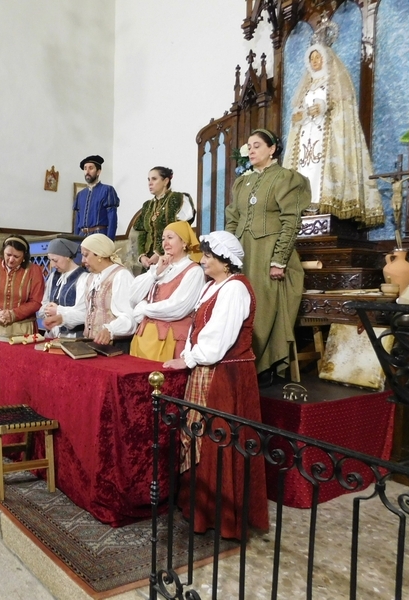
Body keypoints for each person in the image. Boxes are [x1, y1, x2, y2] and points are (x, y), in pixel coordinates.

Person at [163, 231, 269, 539]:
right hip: (206, 370)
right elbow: (197, 328)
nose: (203, 260)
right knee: (197, 436)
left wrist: (192, 358)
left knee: (217, 440)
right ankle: (198, 509)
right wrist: (189, 355)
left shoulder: (235, 289)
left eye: (208, 255)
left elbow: (218, 338)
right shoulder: (213, 286)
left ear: (225, 260)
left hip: (226, 374)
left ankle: (221, 517)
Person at [226, 129, 308, 384]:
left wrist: (279, 259)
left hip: (268, 252)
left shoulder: (287, 178)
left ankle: (263, 366)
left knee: (263, 306)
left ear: (272, 149)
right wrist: (227, 254)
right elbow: (232, 219)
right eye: (249, 146)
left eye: (257, 145)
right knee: (238, 306)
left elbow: (291, 221)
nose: (251, 150)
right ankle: (238, 363)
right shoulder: (242, 182)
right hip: (243, 252)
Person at [283, 39, 383, 227]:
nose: (314, 61)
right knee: (305, 169)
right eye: (311, 58)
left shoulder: (334, 82)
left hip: (326, 136)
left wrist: (324, 105)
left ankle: (325, 206)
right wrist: (300, 115)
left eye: (318, 57)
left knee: (321, 170)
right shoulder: (306, 87)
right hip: (307, 136)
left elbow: (343, 111)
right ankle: (304, 206)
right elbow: (299, 110)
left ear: (326, 59)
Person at [0, 235, 45, 409]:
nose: (11, 259)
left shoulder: (34, 271)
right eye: (8, 255)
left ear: (24, 256)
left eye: (16, 256)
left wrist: (14, 314)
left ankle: (17, 416)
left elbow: (36, 301)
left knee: (18, 373)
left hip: (21, 329)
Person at [129, 221, 205, 362]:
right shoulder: (160, 268)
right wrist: (155, 273)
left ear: (184, 242)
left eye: (170, 237)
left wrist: (145, 309)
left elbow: (178, 307)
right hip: (143, 338)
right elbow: (133, 297)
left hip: (170, 339)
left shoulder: (193, 271)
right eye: (163, 239)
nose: (165, 243)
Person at [78, 234, 136, 351]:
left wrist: (111, 329)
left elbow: (130, 317)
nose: (83, 261)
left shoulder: (121, 276)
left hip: (115, 346)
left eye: (86, 255)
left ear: (99, 254)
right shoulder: (91, 278)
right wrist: (62, 316)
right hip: (92, 344)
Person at [133, 167, 197, 269]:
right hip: (149, 261)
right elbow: (143, 232)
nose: (150, 183)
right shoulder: (147, 205)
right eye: (148, 179)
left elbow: (179, 231)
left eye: (154, 179)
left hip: (170, 256)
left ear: (165, 181)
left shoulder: (177, 199)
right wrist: (142, 256)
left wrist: (158, 253)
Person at [40, 238, 88, 339]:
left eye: (55, 260)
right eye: (50, 260)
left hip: (72, 337)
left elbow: (84, 313)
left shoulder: (83, 278)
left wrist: (58, 310)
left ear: (67, 257)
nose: (52, 265)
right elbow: (44, 302)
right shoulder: (54, 276)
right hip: (52, 334)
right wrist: (47, 309)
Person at [73, 155, 120, 240]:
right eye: (85, 168)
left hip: (99, 237)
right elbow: (77, 221)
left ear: (98, 171)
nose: (87, 171)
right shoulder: (80, 195)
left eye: (91, 168)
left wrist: (109, 242)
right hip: (81, 238)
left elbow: (112, 219)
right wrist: (74, 241)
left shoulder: (107, 190)